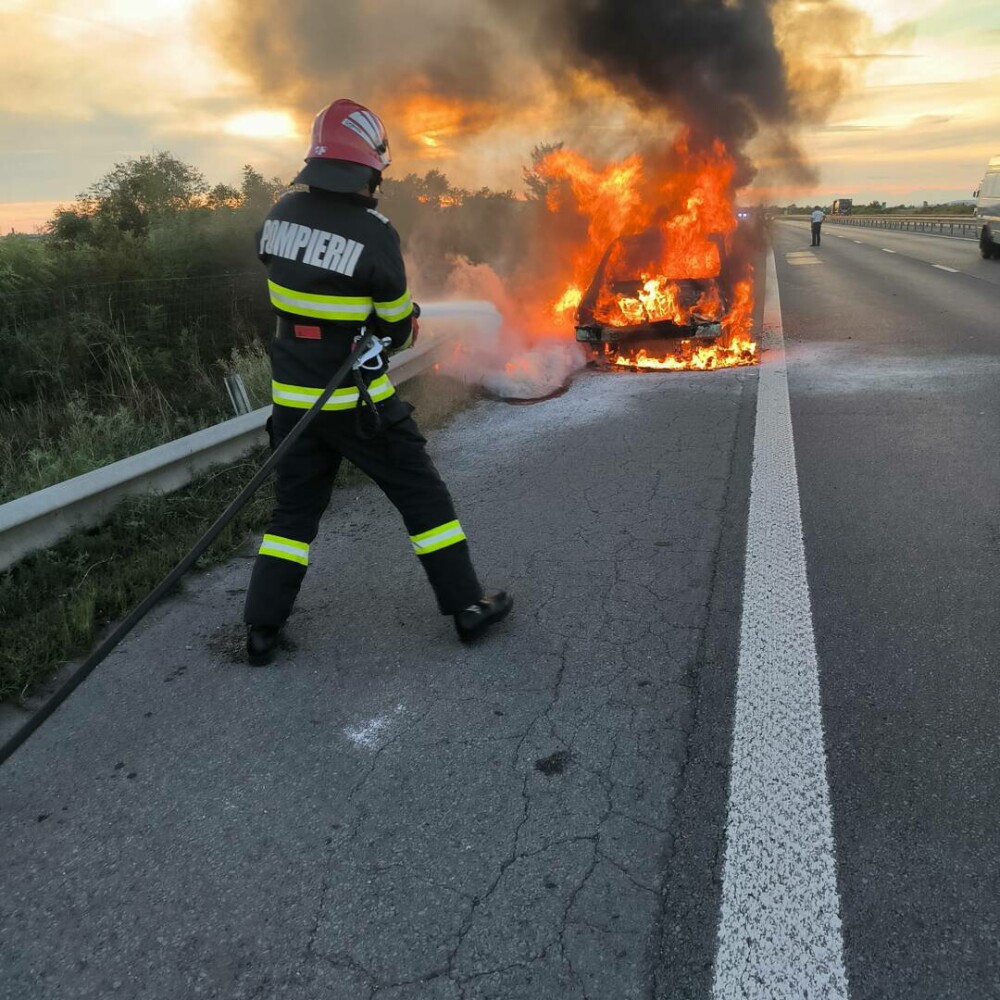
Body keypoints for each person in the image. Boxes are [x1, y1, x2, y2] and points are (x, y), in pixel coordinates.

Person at [243, 99, 512, 666]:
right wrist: (398, 318)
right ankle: (465, 605)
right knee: (422, 496)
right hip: (357, 403)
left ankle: (261, 629)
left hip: (293, 401)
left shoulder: (278, 216)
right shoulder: (374, 233)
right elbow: (396, 329)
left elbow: (286, 279)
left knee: (292, 518)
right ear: (368, 170)